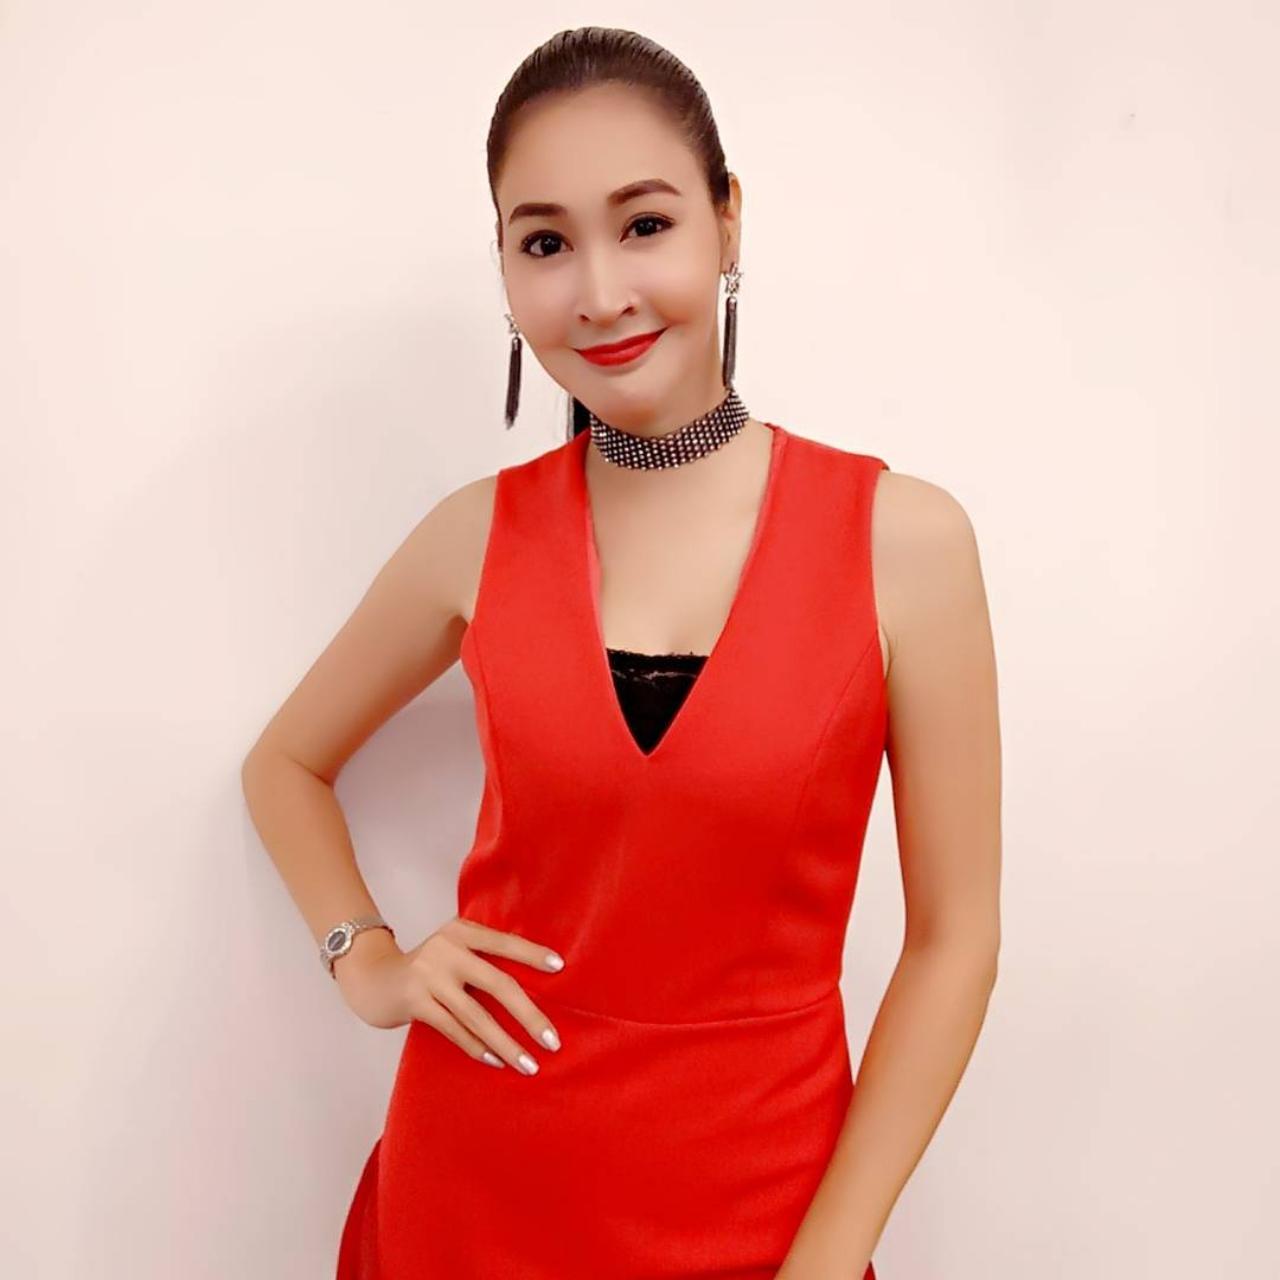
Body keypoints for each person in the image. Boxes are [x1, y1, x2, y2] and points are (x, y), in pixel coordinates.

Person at [241, 25, 1002, 1280]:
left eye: (643, 224)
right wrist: (365, 959)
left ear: (726, 221)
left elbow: (953, 942)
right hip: (469, 1194)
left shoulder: (902, 541)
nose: (597, 292)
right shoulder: (472, 537)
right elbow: (284, 762)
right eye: (544, 243)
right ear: (503, 268)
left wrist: (828, 1254)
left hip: (765, 1210)